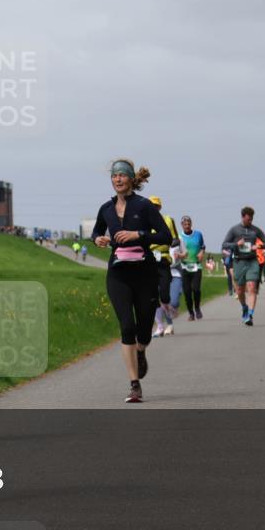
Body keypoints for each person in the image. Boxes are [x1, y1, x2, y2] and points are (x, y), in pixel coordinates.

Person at [92, 159, 172, 403]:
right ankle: (134, 385)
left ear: (130, 178)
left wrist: (138, 234)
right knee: (127, 326)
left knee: (144, 328)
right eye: (114, 176)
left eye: (121, 175)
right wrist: (98, 240)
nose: (117, 179)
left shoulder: (145, 206)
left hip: (145, 273)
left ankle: (141, 350)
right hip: (118, 274)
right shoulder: (106, 208)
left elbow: (166, 236)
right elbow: (96, 231)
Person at [221, 206, 265, 327]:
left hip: (252, 261)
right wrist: (236, 244)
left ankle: (250, 314)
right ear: (243, 217)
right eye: (248, 219)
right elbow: (224, 244)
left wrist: (259, 247)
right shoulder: (234, 230)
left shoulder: (255, 230)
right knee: (239, 290)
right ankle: (244, 307)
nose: (250, 221)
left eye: (252, 219)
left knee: (252, 287)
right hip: (239, 262)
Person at [148, 196, 179, 337]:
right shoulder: (143, 221)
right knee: (152, 296)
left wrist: (166, 244)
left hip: (164, 260)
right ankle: (159, 325)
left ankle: (168, 308)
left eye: (156, 206)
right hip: (148, 261)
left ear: (159, 207)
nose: (154, 208)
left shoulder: (168, 220)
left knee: (165, 295)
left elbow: (175, 238)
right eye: (151, 206)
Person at [179, 215, 206, 320]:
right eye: (185, 224)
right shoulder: (179, 237)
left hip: (196, 265)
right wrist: (180, 255)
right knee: (187, 291)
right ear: (181, 225)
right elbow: (175, 250)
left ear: (191, 224)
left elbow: (203, 246)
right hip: (184, 266)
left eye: (189, 224)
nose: (187, 226)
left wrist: (201, 253)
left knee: (196, 289)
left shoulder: (198, 234)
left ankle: (197, 308)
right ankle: (191, 313)